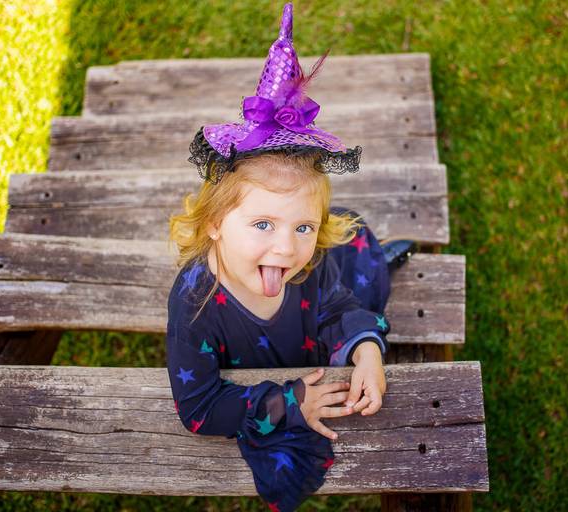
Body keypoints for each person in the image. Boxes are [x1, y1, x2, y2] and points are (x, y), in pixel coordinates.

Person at [165, 3, 414, 511]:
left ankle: (358, 253)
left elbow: (336, 309)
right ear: (214, 223)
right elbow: (198, 406)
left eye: (304, 227)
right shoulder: (194, 303)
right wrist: (288, 401)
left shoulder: (306, 263)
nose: (286, 248)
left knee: (350, 267)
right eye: (262, 224)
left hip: (312, 319)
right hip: (270, 378)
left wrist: (367, 350)